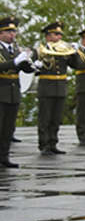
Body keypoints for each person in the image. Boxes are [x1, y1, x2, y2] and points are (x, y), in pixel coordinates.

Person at [34, 21, 77, 154]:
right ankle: (44, 144)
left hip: (60, 87)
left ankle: (53, 143)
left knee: (56, 119)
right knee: (45, 118)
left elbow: (76, 65)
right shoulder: (40, 50)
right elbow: (31, 66)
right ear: (48, 36)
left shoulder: (63, 50)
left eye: (60, 34)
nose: (59, 37)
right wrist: (36, 64)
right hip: (47, 88)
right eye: (56, 34)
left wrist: (74, 53)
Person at [0, 17, 31, 169]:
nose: (12, 34)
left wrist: (31, 63)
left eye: (14, 31)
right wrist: (16, 61)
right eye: (9, 31)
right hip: (1, 91)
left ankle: (4, 156)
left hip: (13, 92)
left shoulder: (15, 50)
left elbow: (24, 69)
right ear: (1, 33)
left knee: (8, 128)